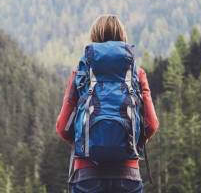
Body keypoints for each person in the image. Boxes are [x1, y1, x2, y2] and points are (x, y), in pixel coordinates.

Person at [56, 15, 159, 193]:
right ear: (123, 36)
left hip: (87, 175)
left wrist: (86, 142)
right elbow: (151, 124)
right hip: (128, 175)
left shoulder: (80, 73)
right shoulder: (137, 74)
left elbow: (63, 127)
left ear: (94, 37)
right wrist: (130, 142)